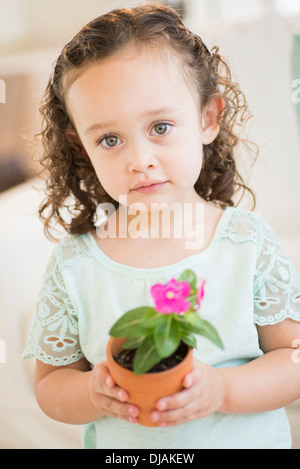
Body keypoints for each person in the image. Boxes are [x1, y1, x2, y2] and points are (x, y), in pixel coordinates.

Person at [23, 2, 300, 449]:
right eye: (109, 139)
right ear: (82, 148)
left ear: (207, 118)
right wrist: (92, 392)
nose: (139, 161)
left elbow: (293, 358)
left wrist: (223, 390)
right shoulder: (74, 265)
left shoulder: (245, 242)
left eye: (161, 126)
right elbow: (50, 384)